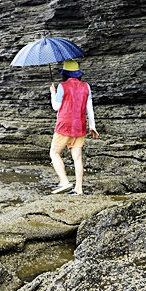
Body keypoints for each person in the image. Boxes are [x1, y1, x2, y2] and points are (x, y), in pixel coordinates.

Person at [48, 60, 98, 195]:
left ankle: (64, 182)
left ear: (65, 74)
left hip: (64, 125)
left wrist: (53, 93)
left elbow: (56, 107)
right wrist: (92, 126)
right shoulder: (86, 86)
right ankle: (79, 189)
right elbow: (89, 108)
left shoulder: (62, 86)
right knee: (77, 157)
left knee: (54, 153)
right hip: (79, 126)